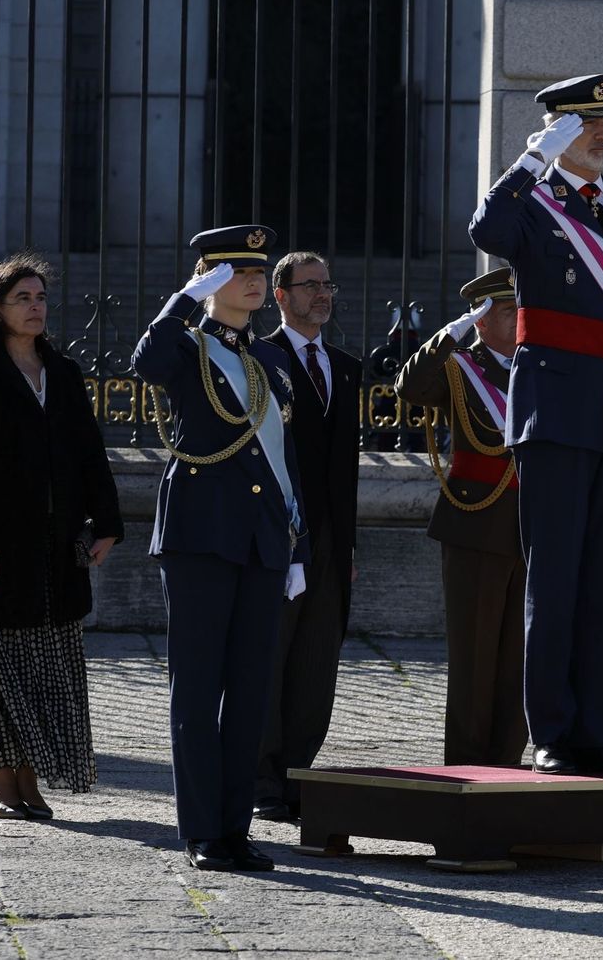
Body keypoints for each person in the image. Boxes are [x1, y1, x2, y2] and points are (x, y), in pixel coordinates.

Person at [468, 73, 603, 775]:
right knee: (553, 582)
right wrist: (532, 159)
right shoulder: (531, 202)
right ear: (558, 131)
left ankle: (594, 735)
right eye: (586, 122)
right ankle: (552, 732)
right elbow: (487, 231)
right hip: (553, 412)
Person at [132, 225, 309, 872]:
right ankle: (204, 830)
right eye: (238, 273)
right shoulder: (186, 345)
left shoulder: (269, 359)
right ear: (210, 278)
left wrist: (297, 545)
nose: (254, 282)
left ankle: (236, 827)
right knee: (199, 688)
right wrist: (185, 300)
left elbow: (285, 457)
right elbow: (146, 363)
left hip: (264, 536)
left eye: (259, 271)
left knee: (251, 689)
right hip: (201, 534)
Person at [0, 255, 123, 821]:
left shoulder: (63, 371)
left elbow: (89, 451)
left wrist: (107, 523)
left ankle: (31, 779)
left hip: (55, 549)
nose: (36, 306)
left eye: (41, 297)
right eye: (22, 298)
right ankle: (3, 781)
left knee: (48, 671)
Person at [393, 267, 527, 767]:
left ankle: (508, 762)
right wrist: (452, 332)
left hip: (533, 526)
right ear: (483, 321)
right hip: (478, 522)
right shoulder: (459, 367)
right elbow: (411, 386)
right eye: (509, 311)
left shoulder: (540, 365)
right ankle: (469, 765)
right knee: (475, 655)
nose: (519, 319)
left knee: (520, 657)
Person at [253, 252, 361, 821]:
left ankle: (297, 775)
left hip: (331, 542)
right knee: (270, 659)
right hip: (279, 536)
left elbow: (346, 468)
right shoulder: (259, 359)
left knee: (317, 664)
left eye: (328, 284)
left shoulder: (344, 366)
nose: (323, 294)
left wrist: (348, 546)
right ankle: (262, 780)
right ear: (281, 295)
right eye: (310, 285)